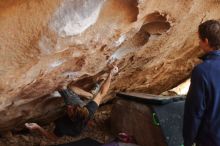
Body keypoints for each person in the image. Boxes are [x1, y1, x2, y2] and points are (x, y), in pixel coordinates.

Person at [25, 65, 118, 141]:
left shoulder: (65, 127)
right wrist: (111, 74)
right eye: (73, 107)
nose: (69, 107)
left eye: (71, 110)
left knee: (66, 92)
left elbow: (53, 137)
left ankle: (89, 95)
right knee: (64, 87)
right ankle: (89, 95)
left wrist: (37, 127)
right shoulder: (88, 111)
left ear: (71, 118)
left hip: (77, 116)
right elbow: (102, 93)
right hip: (82, 106)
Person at [183, 20, 220, 146]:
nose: (199, 43)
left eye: (200, 39)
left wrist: (188, 141)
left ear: (207, 41)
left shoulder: (202, 71)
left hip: (210, 140)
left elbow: (195, 112)